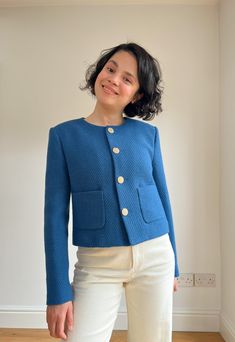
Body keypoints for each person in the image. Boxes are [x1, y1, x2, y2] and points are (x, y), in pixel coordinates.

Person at [44, 42, 180, 342]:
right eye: (110, 69)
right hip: (97, 264)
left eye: (128, 78)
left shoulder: (148, 135)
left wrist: (175, 266)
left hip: (156, 258)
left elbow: (163, 198)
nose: (114, 79)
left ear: (138, 94)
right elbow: (54, 218)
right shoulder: (64, 136)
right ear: (99, 72)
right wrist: (57, 291)